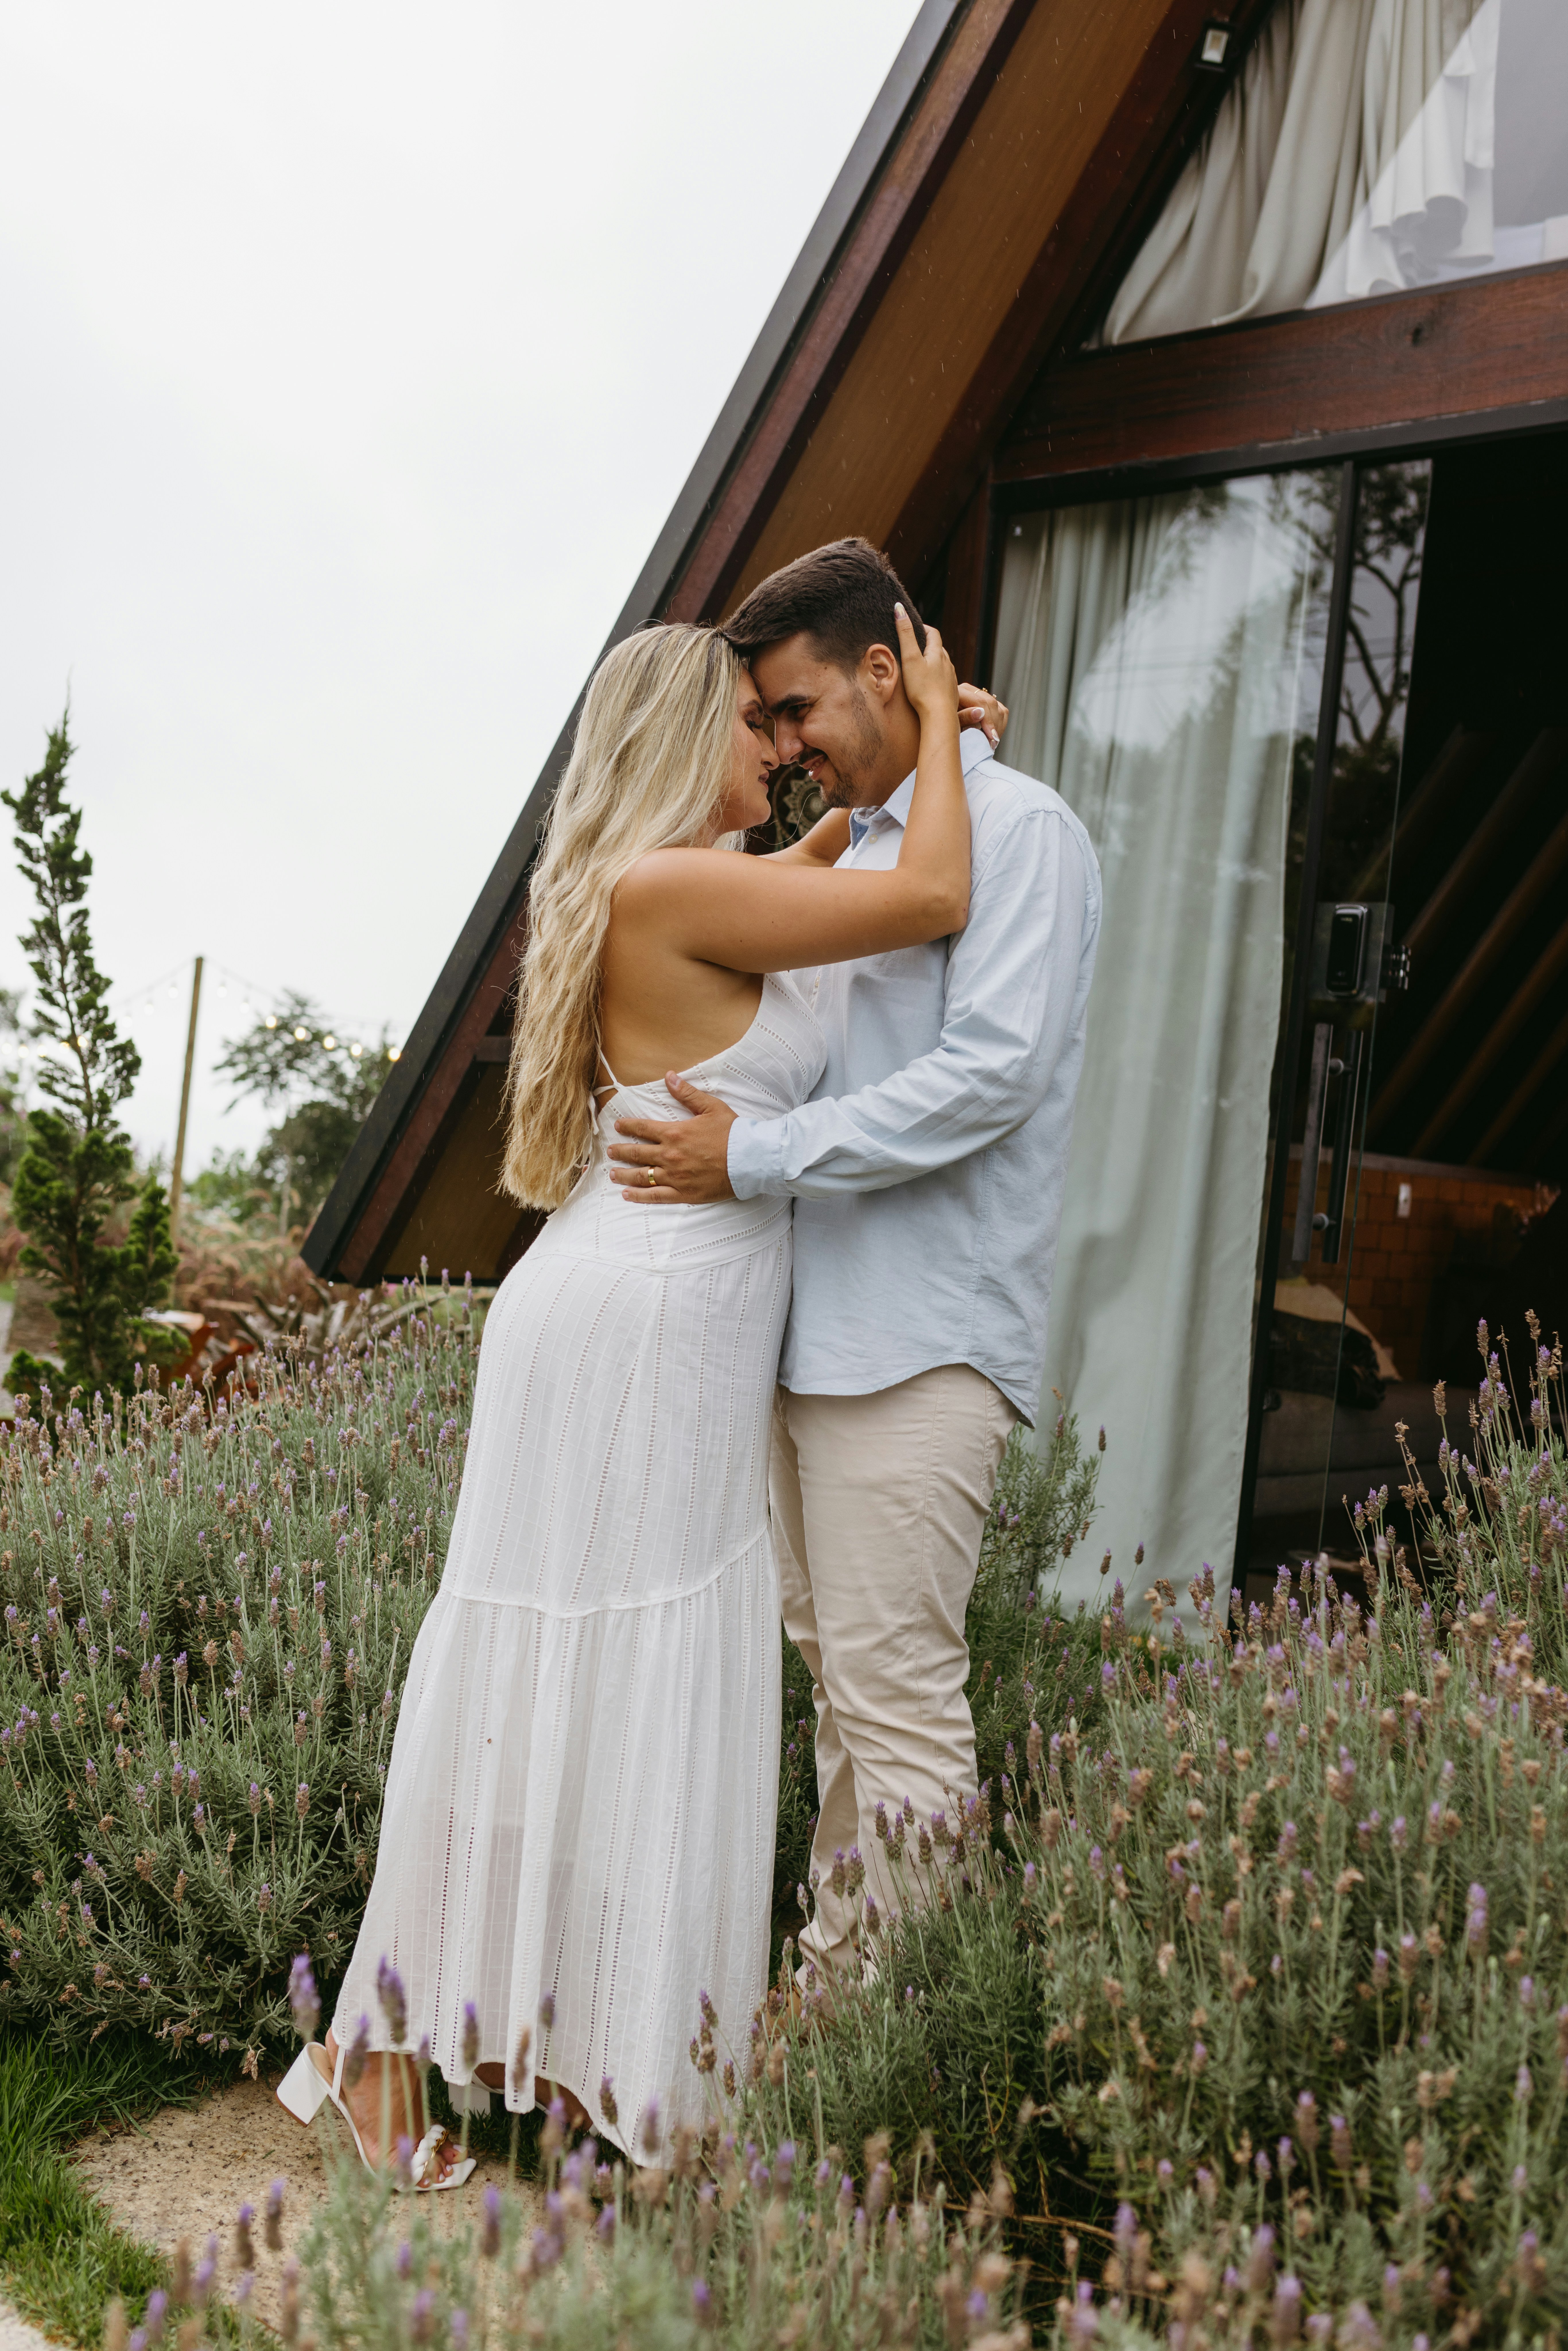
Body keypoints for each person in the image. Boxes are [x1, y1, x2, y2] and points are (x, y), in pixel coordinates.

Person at [277, 603, 1001, 2177]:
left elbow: (834, 867)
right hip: (642, 1324)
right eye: (752, 721)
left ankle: (423, 2051)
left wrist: (898, 774)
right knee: (558, 1673)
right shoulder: (673, 887)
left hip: (645, 1313)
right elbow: (933, 893)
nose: (780, 746)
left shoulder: (694, 886)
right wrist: (939, 719)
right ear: (686, 740)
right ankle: (390, 2056)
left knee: (562, 1680)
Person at [607, 537, 1102, 1988]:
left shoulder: (1021, 835)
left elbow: (988, 1076)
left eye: (796, 707)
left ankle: (902, 2051)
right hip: (801, 1338)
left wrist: (751, 1157)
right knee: (845, 1699)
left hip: (918, 1341)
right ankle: (836, 2003)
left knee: (898, 1706)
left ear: (884, 669)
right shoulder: (866, 847)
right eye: (763, 720)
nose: (780, 745)